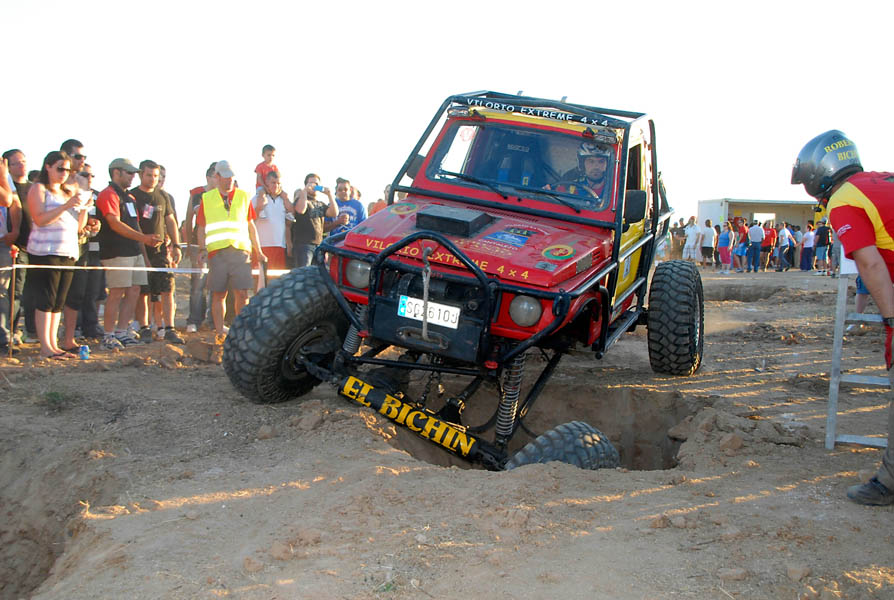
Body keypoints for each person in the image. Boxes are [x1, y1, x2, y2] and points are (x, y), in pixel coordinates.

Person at [792, 129, 894, 505]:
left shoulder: (845, 199)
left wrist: (891, 320)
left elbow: (869, 263)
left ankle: (889, 484)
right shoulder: (882, 181)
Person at [23, 151, 89, 359]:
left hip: (67, 251)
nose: (64, 173)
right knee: (46, 299)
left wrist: (84, 209)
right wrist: (66, 206)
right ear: (48, 167)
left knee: (59, 301)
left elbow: (78, 227)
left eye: (67, 170)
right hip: (45, 251)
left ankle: (53, 344)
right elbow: (40, 219)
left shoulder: (66, 192)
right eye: (60, 168)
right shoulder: (39, 188)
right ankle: (45, 347)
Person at [95, 158, 163, 350]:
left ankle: (122, 331)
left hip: (134, 251)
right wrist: (143, 238)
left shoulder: (129, 197)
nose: (133, 176)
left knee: (134, 291)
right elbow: (114, 223)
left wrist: (144, 247)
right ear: (116, 172)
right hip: (116, 251)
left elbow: (135, 224)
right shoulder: (108, 194)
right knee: (116, 292)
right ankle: (108, 335)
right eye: (129, 173)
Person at [195, 160, 266, 336]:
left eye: (231, 178)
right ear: (217, 177)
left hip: (241, 252)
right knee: (219, 294)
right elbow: (201, 227)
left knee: (242, 293)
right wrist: (202, 249)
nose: (229, 181)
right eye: (225, 177)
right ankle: (220, 332)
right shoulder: (207, 198)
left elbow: (251, 226)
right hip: (217, 253)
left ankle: (240, 331)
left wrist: (258, 250)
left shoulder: (243, 196)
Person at [130, 160, 184, 344]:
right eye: (149, 175)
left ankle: (169, 328)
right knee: (143, 291)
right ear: (140, 175)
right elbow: (133, 224)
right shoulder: (133, 196)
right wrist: (142, 248)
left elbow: (170, 220)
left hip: (160, 251)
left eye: (155, 176)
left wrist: (176, 245)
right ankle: (144, 328)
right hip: (139, 250)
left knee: (167, 289)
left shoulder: (163, 196)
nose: (153, 179)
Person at [3, 149, 35, 343]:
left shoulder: (34, 188)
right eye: (16, 163)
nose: (22, 165)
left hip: (36, 247)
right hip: (15, 247)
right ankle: (10, 332)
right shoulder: (7, 188)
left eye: (24, 161)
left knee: (32, 293)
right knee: (14, 293)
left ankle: (31, 330)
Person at [182, 163, 217, 332]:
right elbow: (190, 218)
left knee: (216, 283)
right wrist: (189, 244)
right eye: (216, 176)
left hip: (218, 243)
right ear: (209, 177)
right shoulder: (197, 193)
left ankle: (213, 320)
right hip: (199, 243)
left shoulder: (227, 194)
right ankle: (194, 320)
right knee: (198, 284)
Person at [288, 173, 338, 267]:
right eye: (311, 183)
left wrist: (329, 195)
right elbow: (300, 210)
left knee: (318, 272)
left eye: (316, 184)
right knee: (304, 271)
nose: (314, 186)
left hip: (318, 244)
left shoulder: (320, 204)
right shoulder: (301, 200)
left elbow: (334, 213)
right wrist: (304, 191)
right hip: (303, 244)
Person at [251, 170, 292, 272]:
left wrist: (289, 243)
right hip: (261, 246)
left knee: (277, 278)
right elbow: (250, 221)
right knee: (260, 277)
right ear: (267, 183)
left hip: (279, 245)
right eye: (273, 183)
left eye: (279, 183)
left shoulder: (284, 200)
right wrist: (259, 207)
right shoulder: (257, 199)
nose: (276, 186)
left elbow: (289, 224)